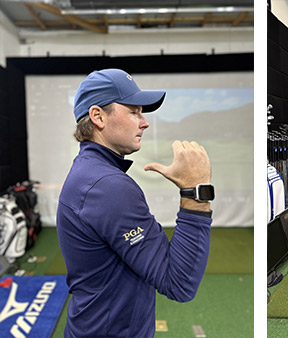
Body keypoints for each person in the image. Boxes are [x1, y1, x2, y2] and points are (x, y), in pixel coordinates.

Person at [57, 68, 215, 338]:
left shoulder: (92, 173)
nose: (144, 122)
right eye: (134, 112)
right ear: (98, 117)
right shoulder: (107, 186)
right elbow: (179, 283)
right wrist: (196, 191)